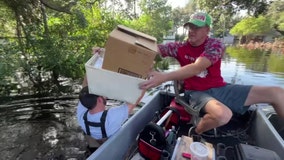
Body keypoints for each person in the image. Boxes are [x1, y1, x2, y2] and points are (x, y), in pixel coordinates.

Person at [139, 12, 284, 136]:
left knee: (277, 93)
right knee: (223, 115)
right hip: (195, 92)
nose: (191, 31)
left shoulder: (215, 45)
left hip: (220, 88)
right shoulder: (179, 47)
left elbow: (198, 67)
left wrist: (164, 76)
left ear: (207, 30)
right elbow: (154, 49)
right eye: (190, 27)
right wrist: (147, 61)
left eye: (197, 27)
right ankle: (196, 131)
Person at [77, 50, 145, 153]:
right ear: (100, 99)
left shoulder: (81, 113)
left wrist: (94, 60)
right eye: (102, 94)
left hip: (93, 140)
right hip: (112, 145)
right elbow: (136, 99)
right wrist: (147, 82)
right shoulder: (112, 117)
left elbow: (85, 87)